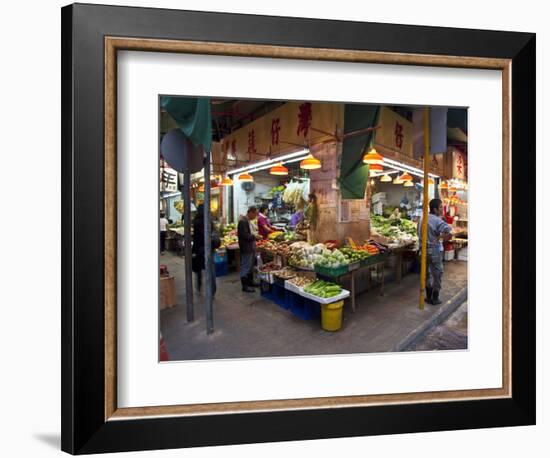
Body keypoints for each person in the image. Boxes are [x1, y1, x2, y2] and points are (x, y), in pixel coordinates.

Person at [418, 198, 452, 305]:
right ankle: (435, 297)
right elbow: (448, 231)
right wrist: (440, 237)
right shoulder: (437, 220)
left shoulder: (422, 218)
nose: (442, 209)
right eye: (441, 207)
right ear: (435, 209)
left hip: (423, 250)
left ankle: (428, 296)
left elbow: (417, 233)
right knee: (437, 273)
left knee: (426, 273)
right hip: (434, 251)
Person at [191, 204, 220, 296]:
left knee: (199, 268)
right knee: (210, 269)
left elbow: (197, 237)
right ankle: (212, 290)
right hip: (207, 248)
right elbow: (208, 234)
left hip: (198, 248)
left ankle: (198, 286)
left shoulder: (195, 221)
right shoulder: (207, 220)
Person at [237, 206, 261, 292]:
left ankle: (250, 282)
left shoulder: (247, 221)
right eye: (255, 214)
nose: (256, 216)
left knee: (250, 266)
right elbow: (244, 235)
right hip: (246, 248)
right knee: (246, 266)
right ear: (251, 212)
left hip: (250, 247)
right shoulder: (243, 222)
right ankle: (245, 286)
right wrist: (255, 236)